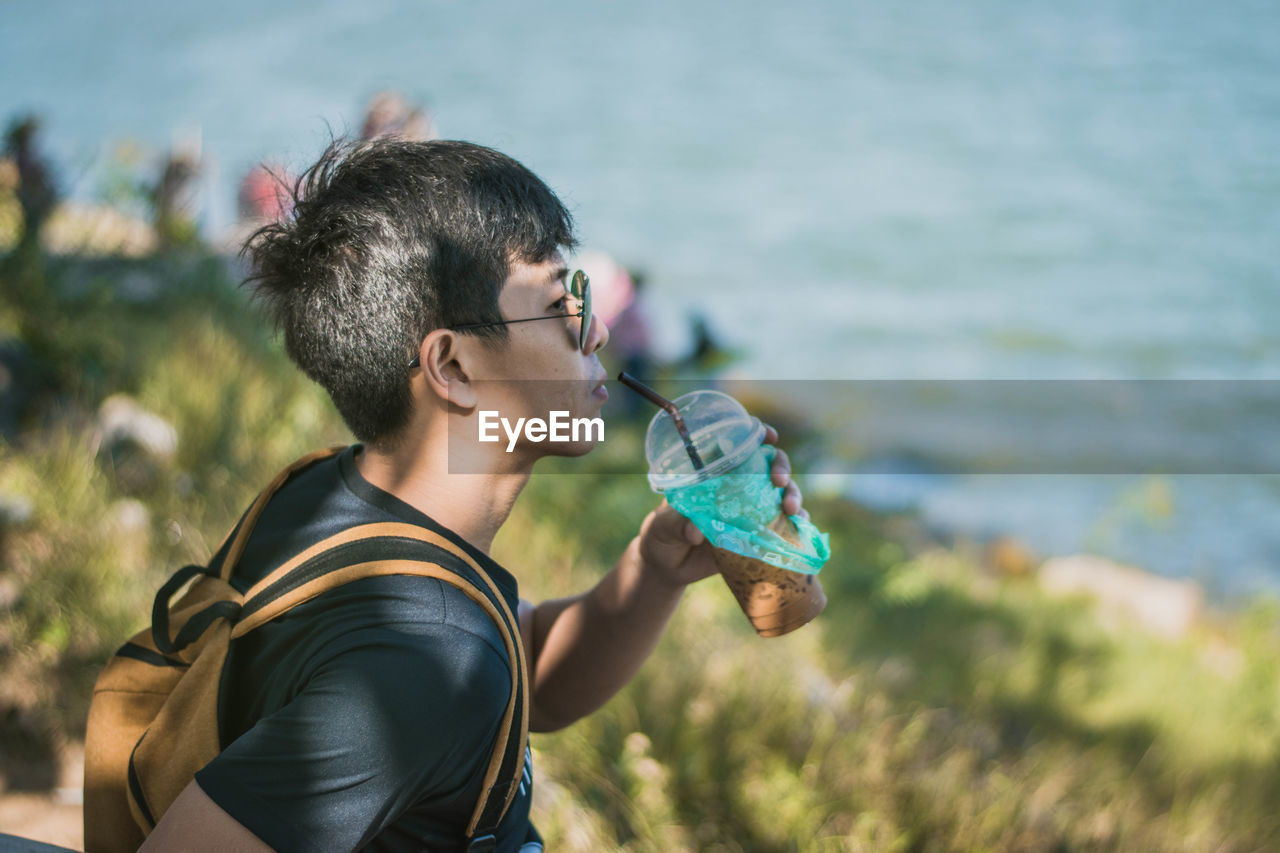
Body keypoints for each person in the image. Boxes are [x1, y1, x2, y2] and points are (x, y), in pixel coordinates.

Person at [138, 138, 805, 852]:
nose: (598, 327)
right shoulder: (420, 660)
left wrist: (655, 568)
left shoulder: (328, 494)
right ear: (453, 366)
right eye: (560, 302)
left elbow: (530, 681)